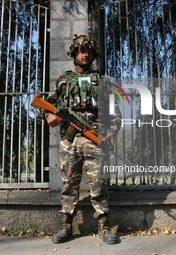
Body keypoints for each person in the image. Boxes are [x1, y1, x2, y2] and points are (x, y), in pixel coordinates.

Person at [44, 34, 122, 244]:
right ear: (74, 54)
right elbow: (46, 105)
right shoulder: (62, 81)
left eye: (88, 51)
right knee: (69, 184)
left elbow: (116, 114)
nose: (85, 54)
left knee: (100, 184)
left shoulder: (104, 81)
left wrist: (111, 133)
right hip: (69, 141)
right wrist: (49, 115)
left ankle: (104, 227)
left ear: (93, 54)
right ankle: (66, 226)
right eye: (80, 51)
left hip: (96, 138)